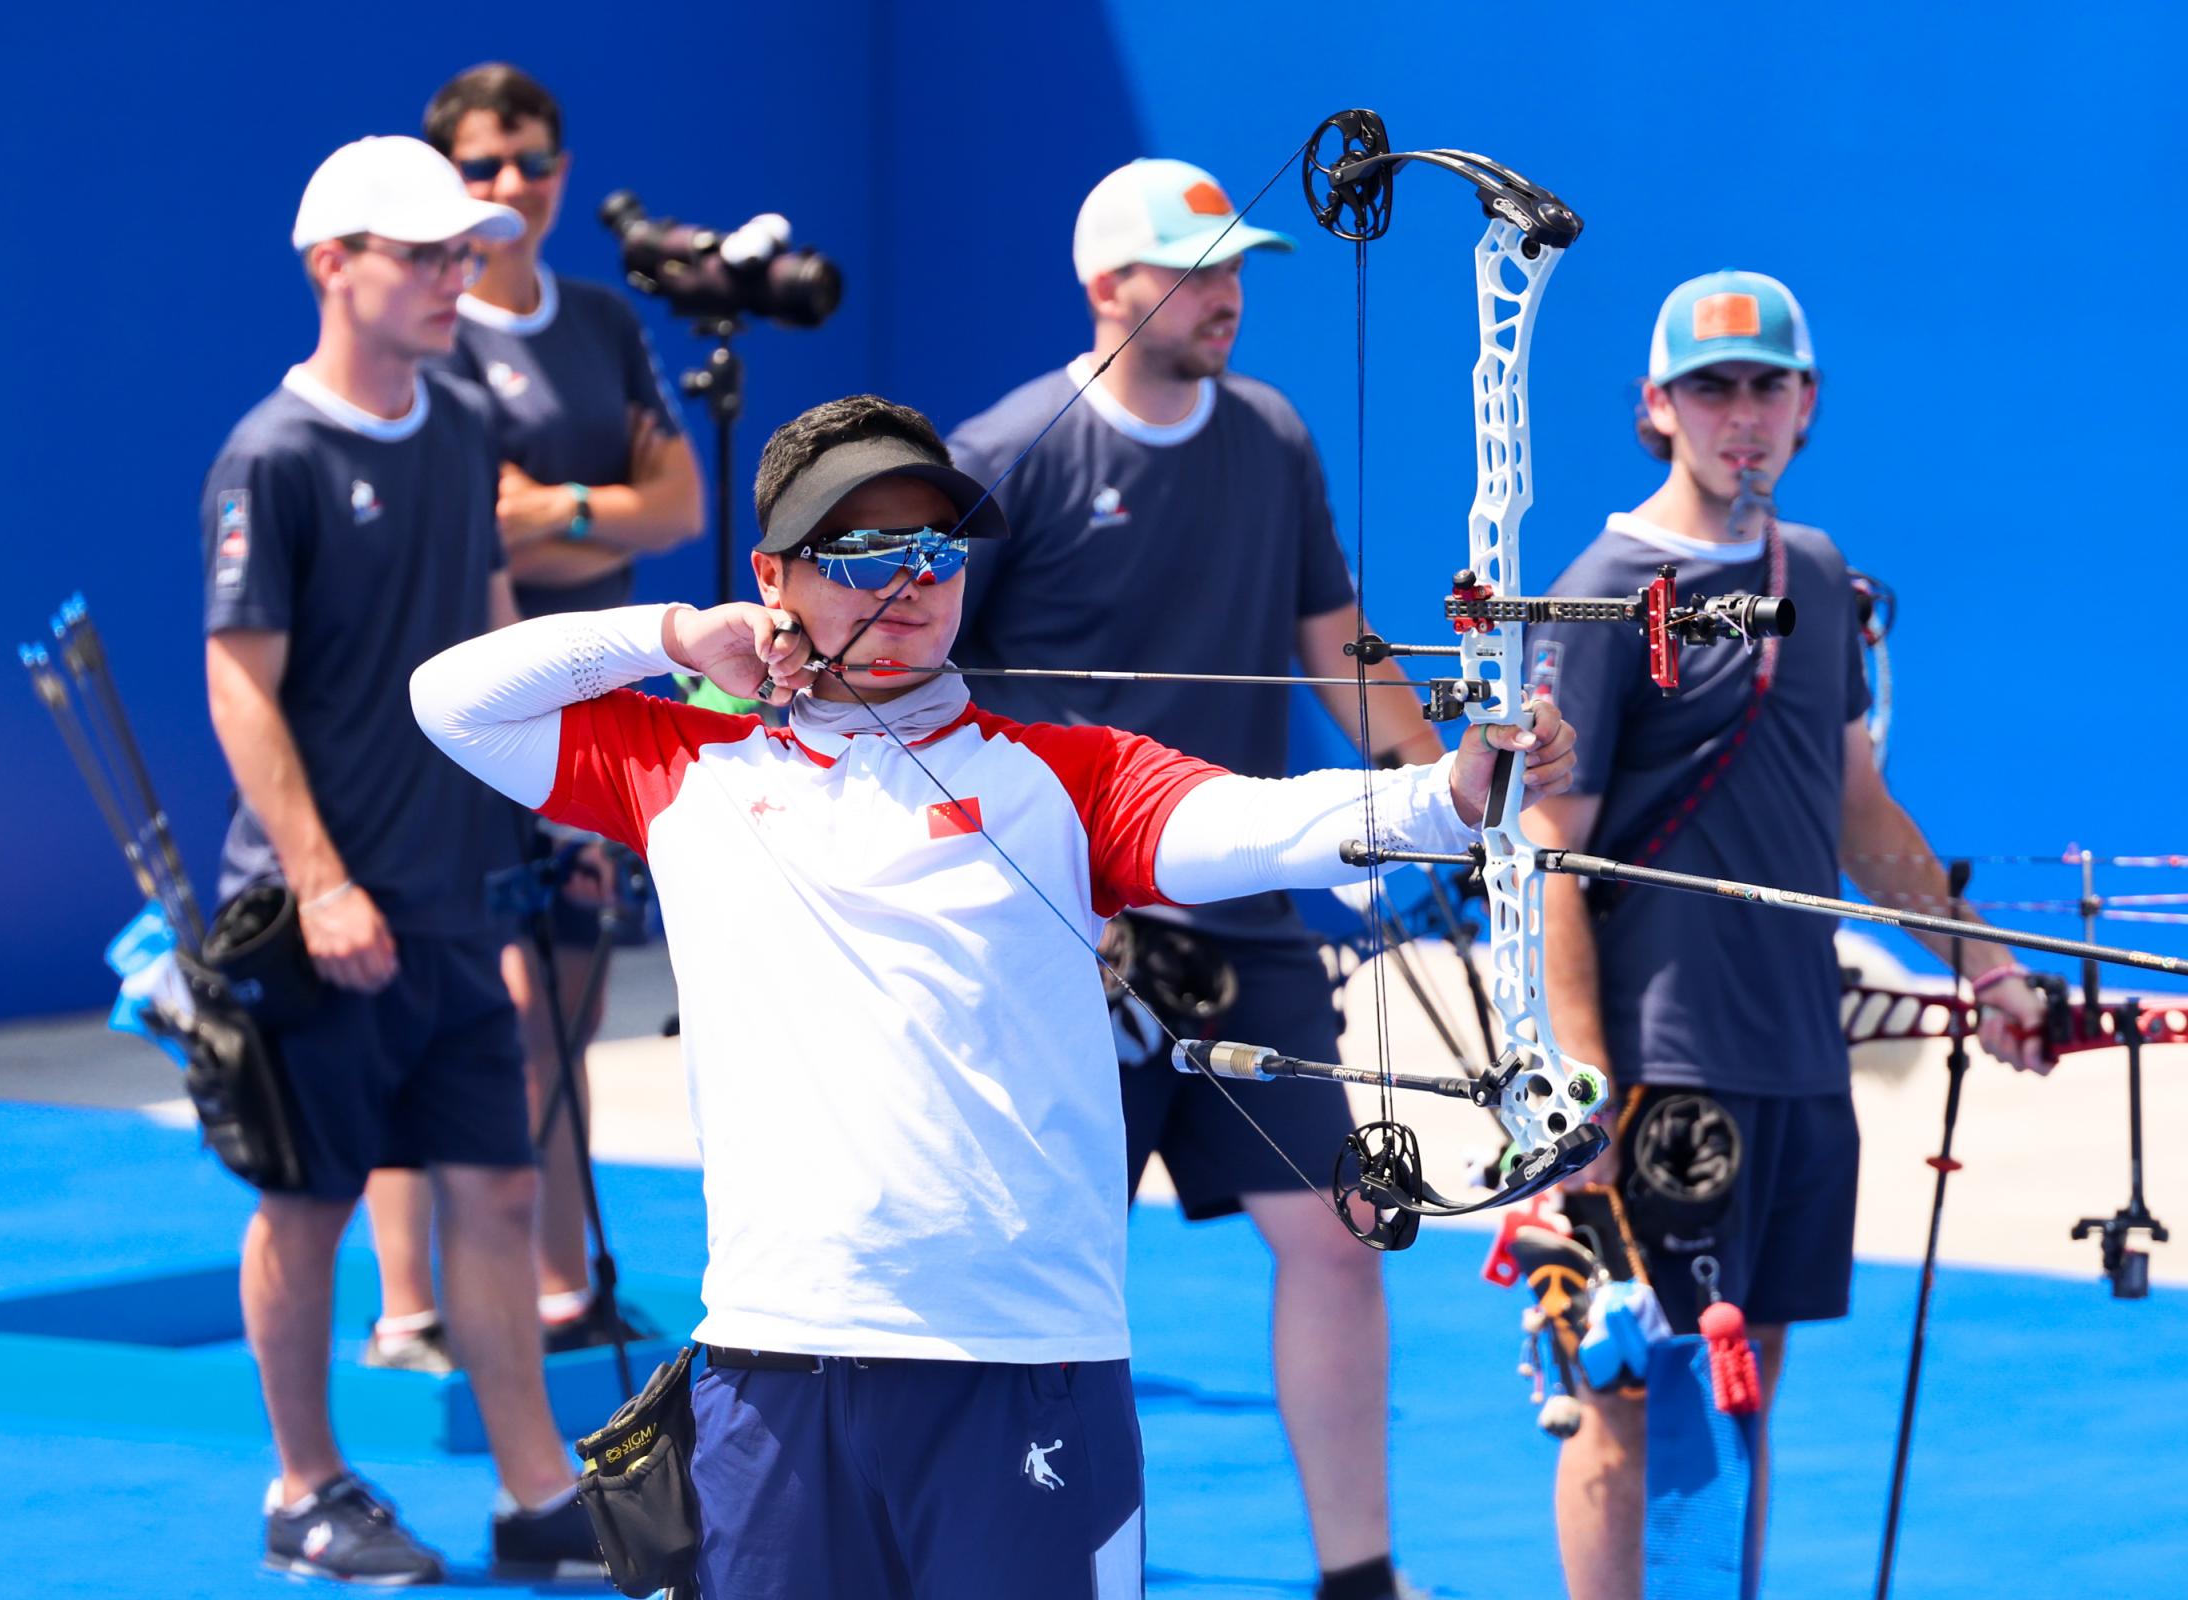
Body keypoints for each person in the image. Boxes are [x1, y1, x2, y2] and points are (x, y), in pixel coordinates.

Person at [407, 393, 1577, 1600]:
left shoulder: (1062, 778)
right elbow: (449, 699)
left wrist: (1451, 789)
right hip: (769, 1358)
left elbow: (1262, 825)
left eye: (938, 550)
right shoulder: (683, 766)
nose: (909, 580)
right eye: (861, 552)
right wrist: (672, 635)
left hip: (1023, 1361)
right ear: (773, 576)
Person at [946, 158, 1447, 1600]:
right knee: (1048, 1289)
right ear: (1106, 287)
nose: (1225, 295)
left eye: (1234, 269)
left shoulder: (1271, 435)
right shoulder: (1009, 451)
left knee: (1342, 1236)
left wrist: (1442, 795)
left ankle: (1360, 1575)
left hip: (1245, 930)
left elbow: (1335, 641)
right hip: (1056, 946)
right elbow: (921, 703)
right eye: (1195, 270)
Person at [1521, 270, 2049, 1598]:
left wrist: (1976, 958)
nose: (1739, 416)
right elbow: (1551, 864)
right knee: (1637, 1405)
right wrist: (1579, 1090)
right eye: (1710, 390)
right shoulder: (1600, 596)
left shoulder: (1811, 575)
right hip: (1663, 1077)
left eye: (1765, 386)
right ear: (1655, 408)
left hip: (1797, 1070)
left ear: (1805, 403)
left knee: (1739, 1399)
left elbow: (1855, 810)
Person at [199, 134, 600, 1584]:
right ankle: (305, 1488)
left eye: (460, 253)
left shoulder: (455, 425)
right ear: (332, 267)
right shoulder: (274, 454)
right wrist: (317, 881)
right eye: (423, 255)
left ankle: (540, 1495)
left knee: (494, 1190)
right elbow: (239, 683)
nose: (455, 277)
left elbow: (494, 638)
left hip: (448, 901)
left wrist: (549, 812)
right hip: (319, 915)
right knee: (305, 1201)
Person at [355, 62, 705, 1376]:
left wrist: (554, 511)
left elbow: (672, 514)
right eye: (485, 168)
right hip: (456, 714)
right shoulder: (425, 342)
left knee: (561, 997)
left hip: (587, 709)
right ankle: (412, 1305)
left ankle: (560, 1285)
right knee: (457, 1000)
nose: (514, 189)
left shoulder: (604, 323)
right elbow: (453, 550)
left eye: (535, 161)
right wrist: (583, 511)